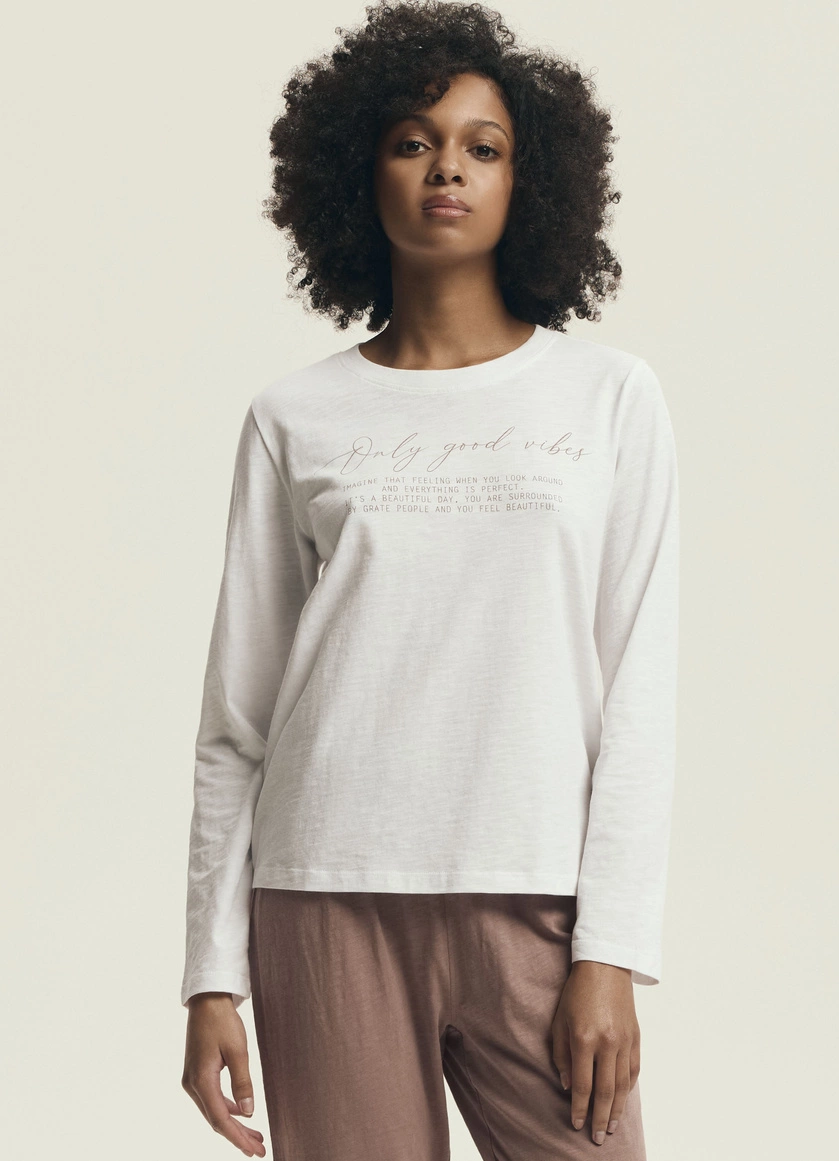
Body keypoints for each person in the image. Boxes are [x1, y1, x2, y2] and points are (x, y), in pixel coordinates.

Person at [179, 3, 680, 1159]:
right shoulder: (294, 416)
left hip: (536, 897)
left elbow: (639, 693)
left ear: (528, 181)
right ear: (359, 176)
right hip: (323, 897)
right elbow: (237, 723)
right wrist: (210, 975)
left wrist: (611, 950)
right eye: (412, 142)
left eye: (482, 146)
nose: (446, 166)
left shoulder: (610, 399)